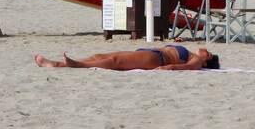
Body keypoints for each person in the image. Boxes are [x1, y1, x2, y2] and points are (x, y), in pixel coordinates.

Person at [34, 45, 220, 70]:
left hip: (157, 59)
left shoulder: (196, 61)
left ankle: (79, 65)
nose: (204, 49)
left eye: (208, 53)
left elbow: (180, 68)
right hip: (151, 52)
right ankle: (58, 64)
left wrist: (161, 69)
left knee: (115, 62)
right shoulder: (193, 55)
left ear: (206, 60)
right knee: (102, 55)